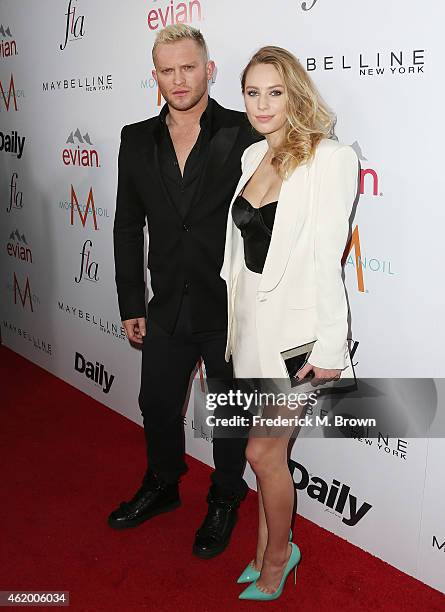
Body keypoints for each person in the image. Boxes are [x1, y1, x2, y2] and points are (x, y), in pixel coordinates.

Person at [111, 24, 261, 558]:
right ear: (155, 77)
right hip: (167, 303)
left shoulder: (246, 132)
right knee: (155, 402)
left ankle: (224, 496)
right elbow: (127, 225)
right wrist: (132, 301)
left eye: (188, 67)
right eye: (167, 70)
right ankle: (164, 483)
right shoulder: (134, 138)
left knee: (228, 413)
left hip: (228, 308)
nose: (179, 80)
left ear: (209, 70)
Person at [220, 46, 359, 600]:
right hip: (253, 332)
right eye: (253, 92)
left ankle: (279, 557)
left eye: (274, 91)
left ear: (295, 92)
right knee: (269, 457)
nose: (262, 103)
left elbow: (328, 259)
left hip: (299, 340)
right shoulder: (254, 154)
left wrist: (331, 346)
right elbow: (241, 259)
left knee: (262, 453)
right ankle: (261, 551)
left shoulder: (330, 157)